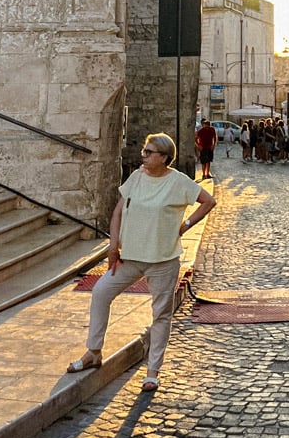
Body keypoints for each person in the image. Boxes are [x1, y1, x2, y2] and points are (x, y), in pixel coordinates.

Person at [67, 133, 215, 392]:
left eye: (149, 152)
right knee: (101, 293)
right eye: (144, 151)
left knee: (161, 314)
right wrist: (113, 245)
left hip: (163, 259)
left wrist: (185, 225)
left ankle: (152, 371)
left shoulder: (178, 182)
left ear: (165, 157)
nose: (143, 155)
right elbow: (117, 211)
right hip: (130, 257)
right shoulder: (136, 177)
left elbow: (208, 201)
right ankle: (93, 351)